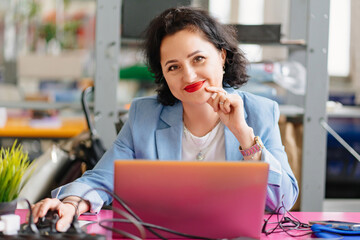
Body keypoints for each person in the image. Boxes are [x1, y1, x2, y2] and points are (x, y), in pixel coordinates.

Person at [32, 6, 299, 231]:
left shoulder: (260, 113)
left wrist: (243, 135)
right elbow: (101, 179)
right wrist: (70, 203)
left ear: (222, 55)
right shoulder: (144, 116)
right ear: (163, 73)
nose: (189, 76)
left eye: (198, 59)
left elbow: (282, 202)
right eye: (174, 67)